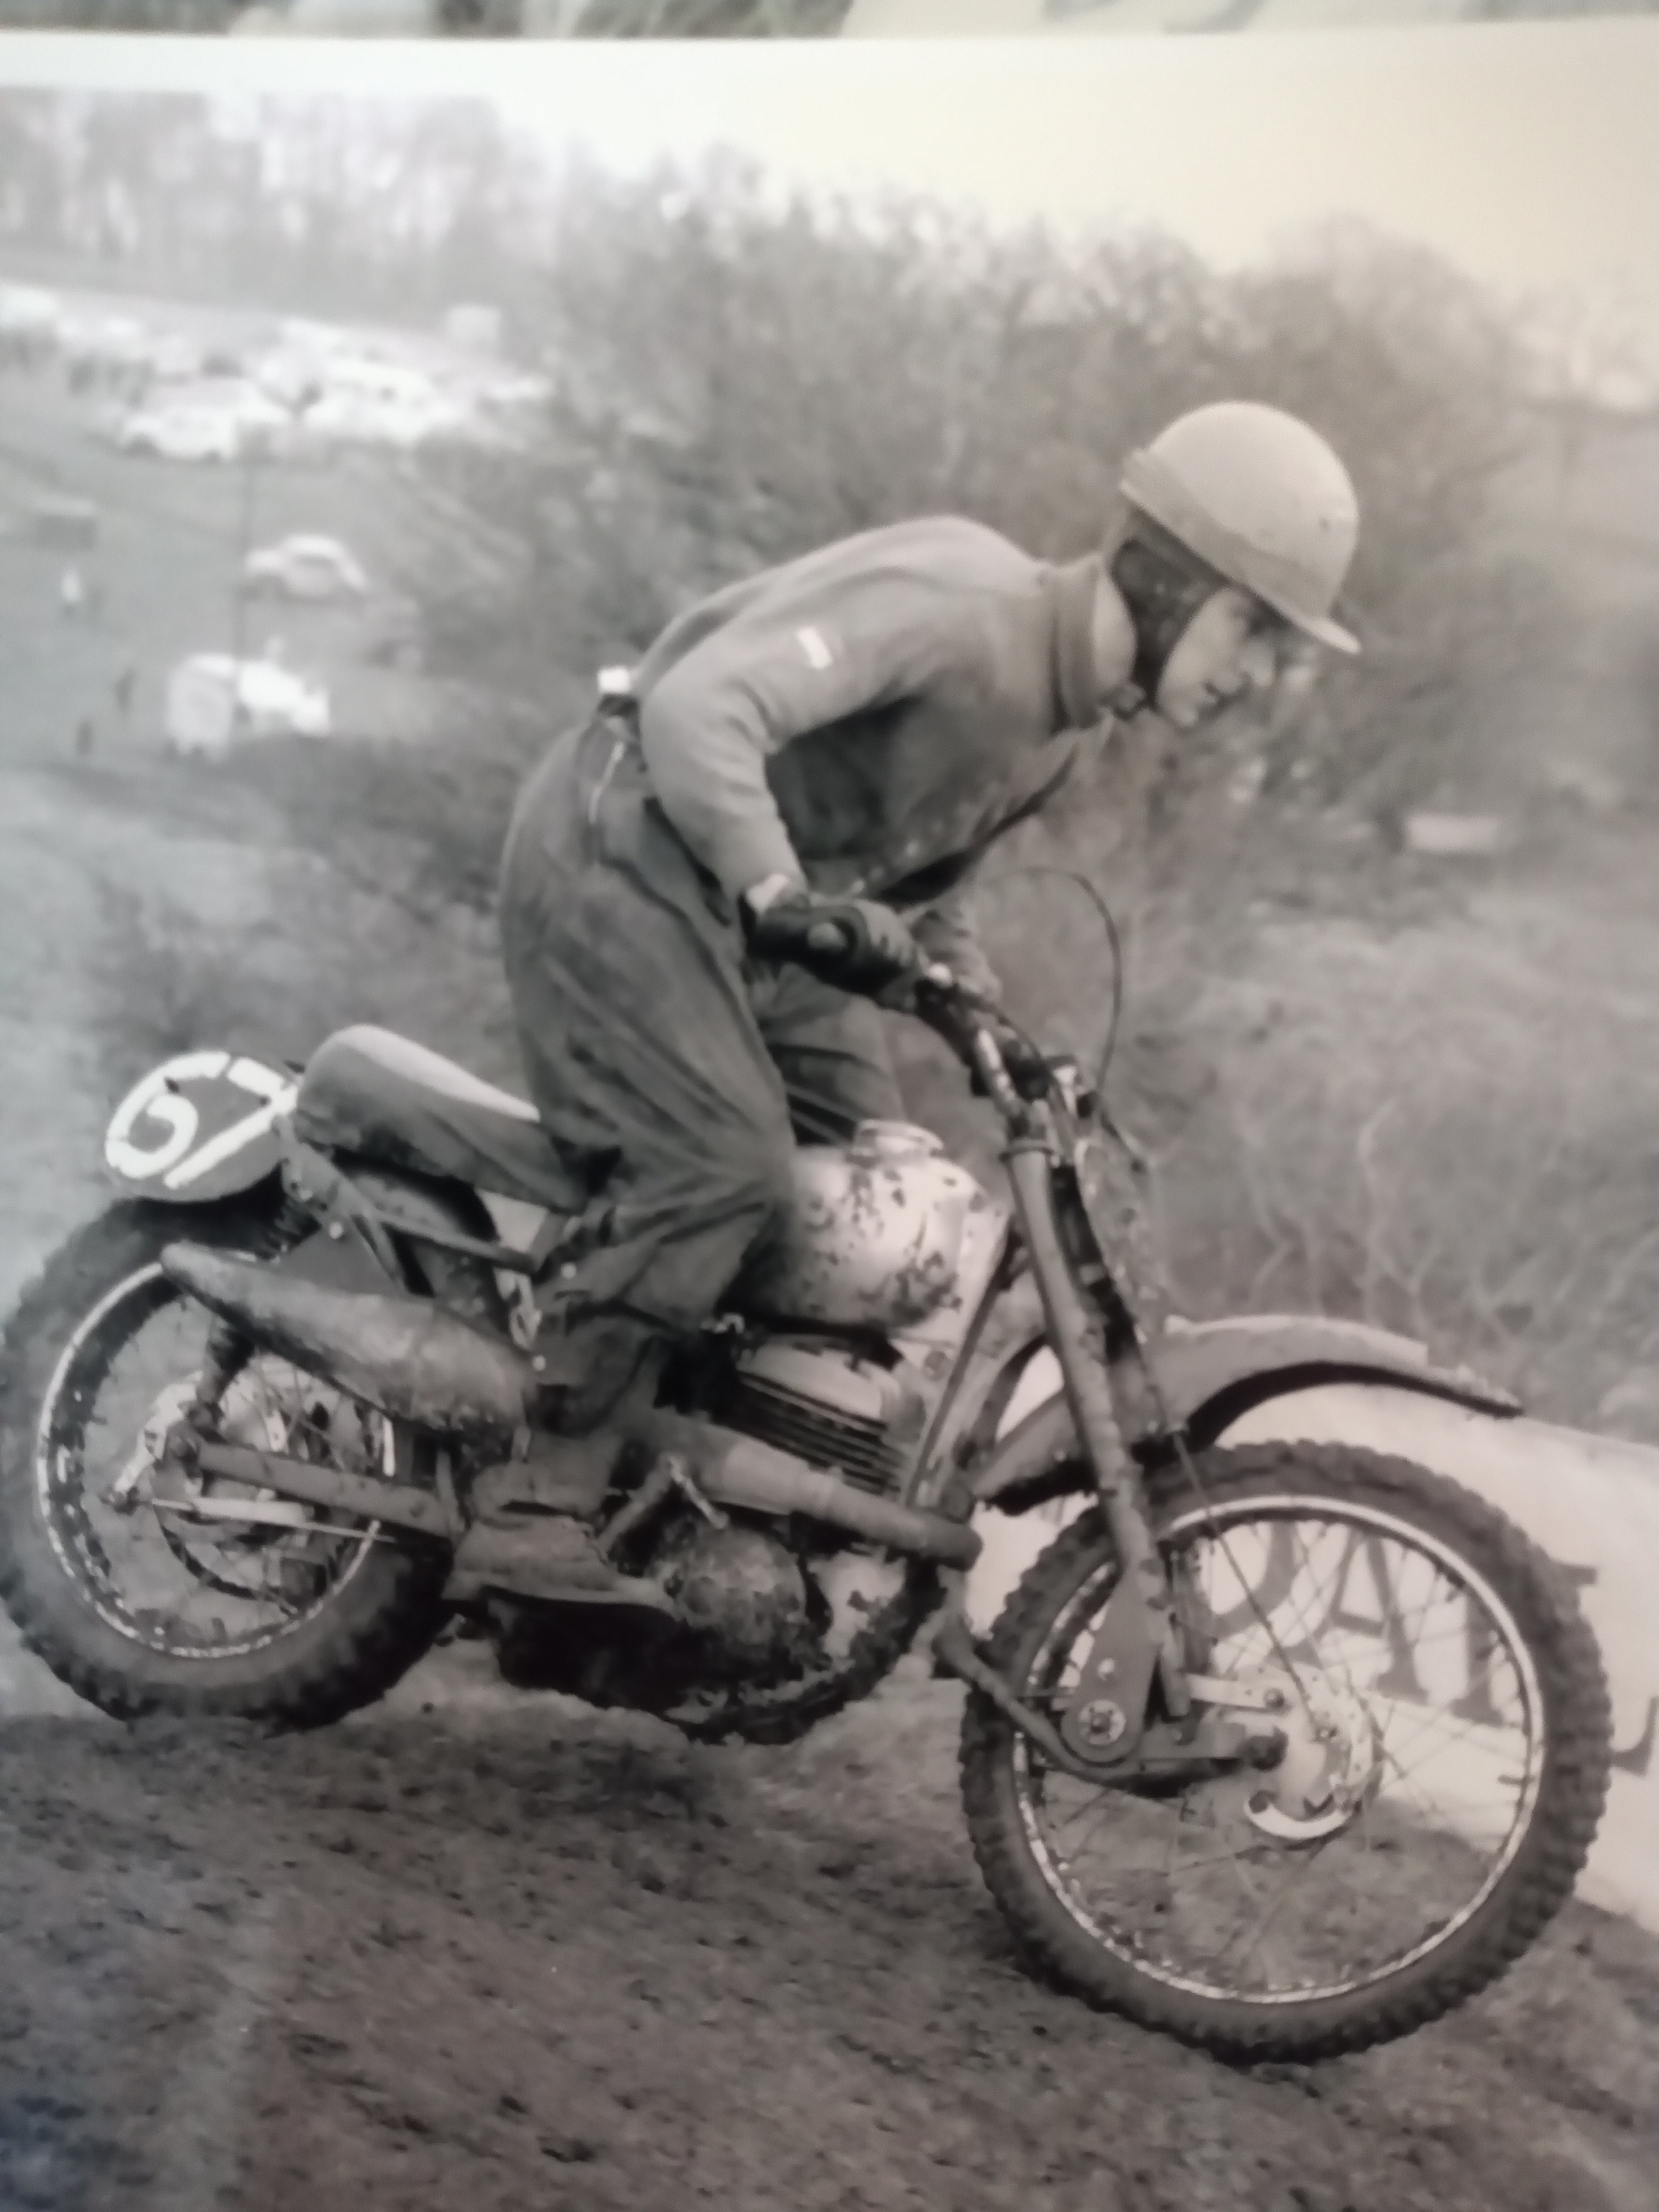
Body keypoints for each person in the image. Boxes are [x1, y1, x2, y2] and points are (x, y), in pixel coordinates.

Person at [483, 400, 1362, 1594]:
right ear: (1169, 578)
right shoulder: (964, 602)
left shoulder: (1070, 733)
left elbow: (927, 886)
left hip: (755, 915)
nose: (1254, 675)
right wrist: (779, 887)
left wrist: (988, 1022)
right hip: (628, 842)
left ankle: (679, 1510)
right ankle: (537, 1494)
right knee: (718, 1169)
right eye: (1251, 626)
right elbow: (701, 710)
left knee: (879, 1202)